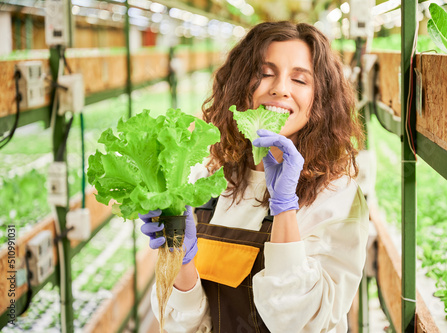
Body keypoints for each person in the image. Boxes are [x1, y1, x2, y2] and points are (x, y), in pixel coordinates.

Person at [140, 21, 369, 333]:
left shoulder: (337, 195)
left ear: (319, 101)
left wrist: (285, 207)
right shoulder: (206, 179)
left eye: (299, 79)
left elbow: (302, 324)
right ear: (240, 85)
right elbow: (183, 325)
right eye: (264, 73)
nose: (280, 88)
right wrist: (179, 261)